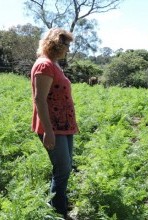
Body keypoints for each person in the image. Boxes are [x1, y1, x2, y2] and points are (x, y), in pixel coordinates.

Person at [30, 28, 78, 219]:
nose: (67, 49)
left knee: (65, 168)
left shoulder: (54, 64)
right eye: (66, 45)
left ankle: (59, 205)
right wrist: (48, 132)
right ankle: (57, 212)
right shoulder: (44, 66)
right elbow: (39, 100)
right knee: (63, 169)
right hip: (52, 127)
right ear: (55, 43)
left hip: (64, 126)